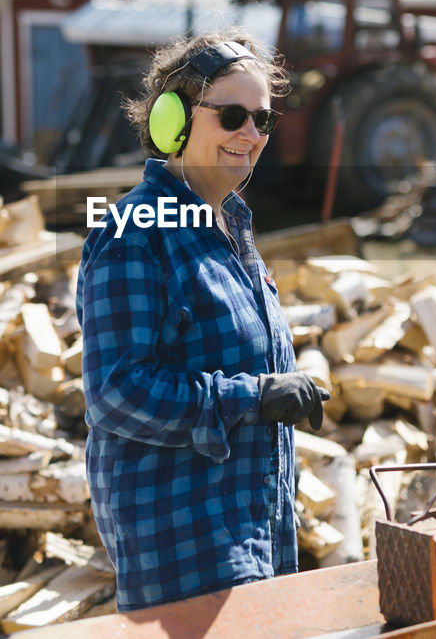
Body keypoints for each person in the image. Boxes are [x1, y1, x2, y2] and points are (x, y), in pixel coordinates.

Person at [77, 30, 329, 612]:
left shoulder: (228, 229)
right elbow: (114, 392)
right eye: (232, 115)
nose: (251, 134)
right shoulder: (134, 232)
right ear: (175, 122)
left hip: (249, 531)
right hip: (184, 545)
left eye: (262, 120)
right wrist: (253, 396)